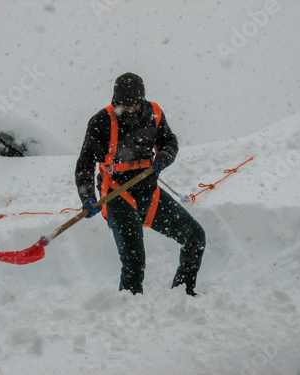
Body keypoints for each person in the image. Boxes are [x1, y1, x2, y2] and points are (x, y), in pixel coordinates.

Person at [75, 72, 205, 296]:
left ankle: (183, 298)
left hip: (148, 191)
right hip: (117, 194)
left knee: (195, 237)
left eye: (135, 105)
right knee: (134, 261)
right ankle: (128, 314)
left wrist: (166, 153)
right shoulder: (101, 122)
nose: (130, 110)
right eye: (124, 106)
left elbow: (169, 140)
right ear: (115, 101)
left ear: (142, 100)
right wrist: (87, 197)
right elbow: (85, 164)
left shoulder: (154, 113)